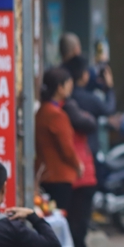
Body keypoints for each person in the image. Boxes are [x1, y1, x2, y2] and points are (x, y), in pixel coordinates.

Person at [62, 55, 117, 247]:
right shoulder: (83, 102)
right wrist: (109, 87)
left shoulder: (67, 101)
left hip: (72, 161)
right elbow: (108, 109)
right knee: (81, 209)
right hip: (83, 159)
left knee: (71, 208)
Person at [35, 67, 83, 212]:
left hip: (45, 174)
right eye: (68, 83)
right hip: (59, 176)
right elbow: (67, 148)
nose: (71, 86)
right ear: (59, 88)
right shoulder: (56, 115)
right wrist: (78, 165)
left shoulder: (42, 111)